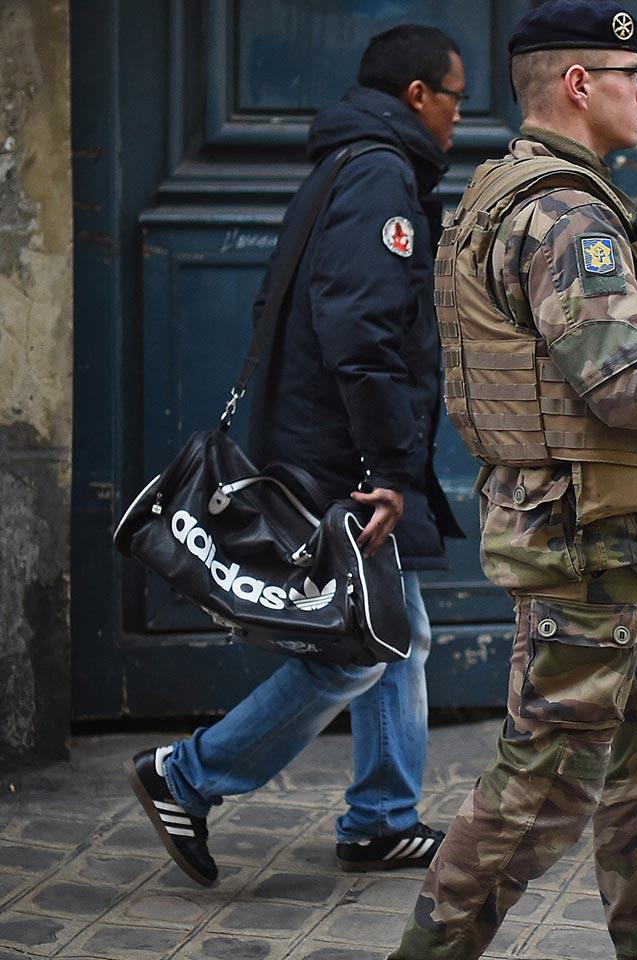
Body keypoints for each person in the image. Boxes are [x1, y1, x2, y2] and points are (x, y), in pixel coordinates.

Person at [390, 3, 637, 959]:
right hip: (584, 536)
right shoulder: (568, 213)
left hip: (607, 529)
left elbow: (589, 351)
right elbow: (629, 379)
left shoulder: (523, 194)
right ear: (581, 84)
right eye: (633, 76)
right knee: (546, 780)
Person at [126, 24, 467, 887]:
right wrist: (387, 468)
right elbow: (360, 330)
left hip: (327, 438)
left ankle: (382, 818)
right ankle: (189, 775)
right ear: (419, 95)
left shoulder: (346, 165)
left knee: (398, 631)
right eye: (457, 97)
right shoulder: (382, 175)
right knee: (352, 647)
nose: (463, 118)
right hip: (342, 452)